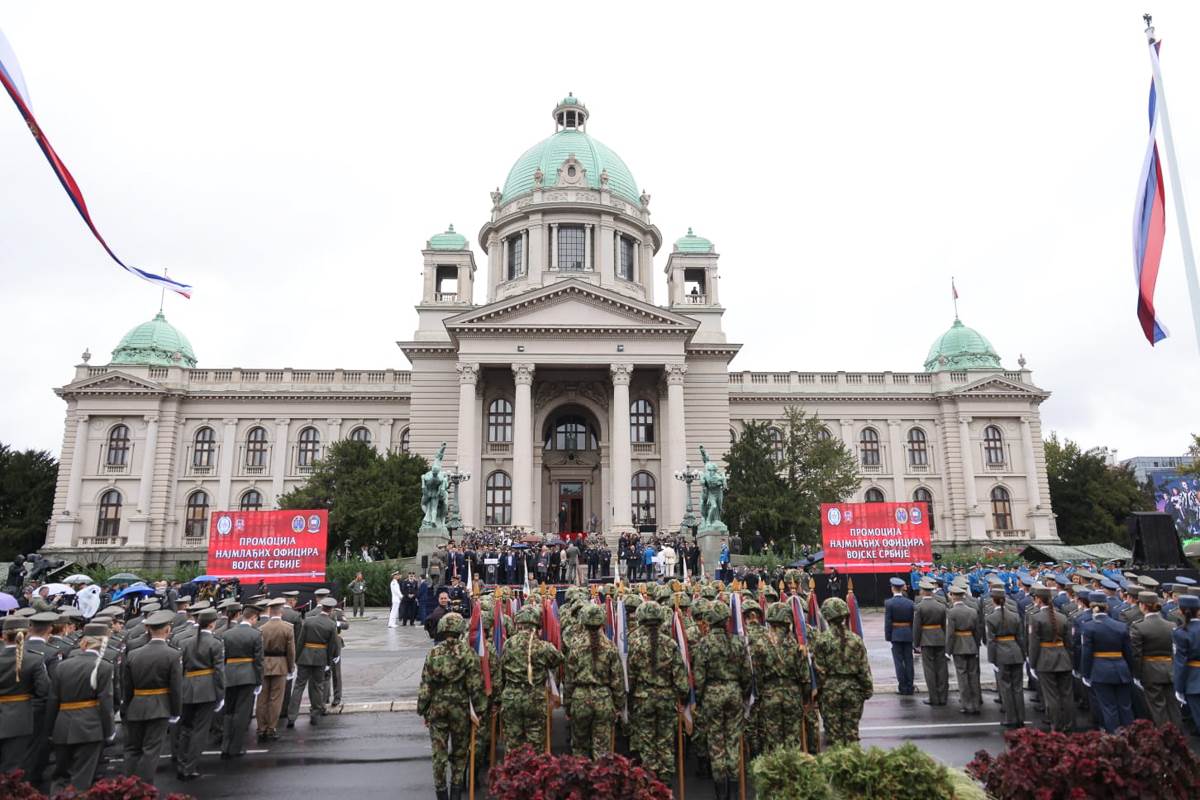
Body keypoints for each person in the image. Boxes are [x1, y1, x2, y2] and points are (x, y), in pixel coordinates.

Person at [417, 612, 485, 800]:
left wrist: (423, 709)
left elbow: (426, 684)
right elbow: (475, 685)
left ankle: (441, 794)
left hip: (437, 708)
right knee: (459, 753)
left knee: (438, 755)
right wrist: (480, 710)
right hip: (460, 709)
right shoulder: (467, 653)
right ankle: (456, 793)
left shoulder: (433, 653)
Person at [46, 622, 114, 795]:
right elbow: (106, 702)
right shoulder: (104, 667)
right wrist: (109, 731)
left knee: (60, 776)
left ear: (84, 642)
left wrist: (49, 729)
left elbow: (53, 700)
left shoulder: (63, 666)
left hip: (62, 724)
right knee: (82, 778)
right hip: (90, 727)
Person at [627, 601, 689, 785]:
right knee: (665, 743)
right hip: (666, 699)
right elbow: (680, 677)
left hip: (642, 699)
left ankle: (650, 783)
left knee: (647, 744)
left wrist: (629, 699)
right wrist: (683, 697)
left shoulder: (635, 644)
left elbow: (630, 676)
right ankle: (665, 783)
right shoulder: (670, 644)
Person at [693, 601, 747, 800]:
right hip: (734, 692)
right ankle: (733, 791)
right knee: (733, 740)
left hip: (712, 694)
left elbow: (699, 676)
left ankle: (721, 794)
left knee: (716, 742)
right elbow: (747, 674)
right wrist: (743, 693)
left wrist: (698, 699)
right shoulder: (738, 642)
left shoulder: (704, 643)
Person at [496, 605, 561, 753]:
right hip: (535, 698)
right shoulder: (543, 646)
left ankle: (512, 774)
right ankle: (532, 774)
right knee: (535, 745)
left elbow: (502, 668)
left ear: (518, 623)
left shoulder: (508, 644)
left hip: (512, 697)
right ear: (537, 624)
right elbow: (558, 659)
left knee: (513, 745)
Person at [563, 603, 624, 759]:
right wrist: (618, 705)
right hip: (604, 699)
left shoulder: (575, 647)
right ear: (602, 623)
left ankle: (581, 781)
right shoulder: (610, 647)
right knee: (602, 750)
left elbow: (569, 680)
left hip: (580, 699)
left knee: (579, 748)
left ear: (583, 622)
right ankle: (601, 781)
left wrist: (568, 706)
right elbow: (617, 680)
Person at [812, 597, 873, 747]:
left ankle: (837, 766)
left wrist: (818, 691)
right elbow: (863, 668)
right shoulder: (856, 639)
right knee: (852, 734)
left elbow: (819, 669)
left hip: (830, 691)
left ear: (826, 616)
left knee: (834, 736)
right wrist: (867, 689)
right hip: (853, 690)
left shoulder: (822, 640)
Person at [176, 607, 223, 782]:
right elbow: (219, 672)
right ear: (212, 623)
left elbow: (180, 669)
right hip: (207, 689)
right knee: (200, 731)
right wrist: (220, 695)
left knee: (186, 728)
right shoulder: (215, 643)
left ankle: (181, 764)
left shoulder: (185, 642)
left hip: (187, 686)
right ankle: (190, 767)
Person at [0, 616, 49, 774]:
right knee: (13, 769)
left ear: (4, 636)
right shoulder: (33, 659)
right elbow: (44, 690)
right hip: (20, 718)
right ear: (26, 634)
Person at [1080, 591, 1133, 733]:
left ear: (1092, 606)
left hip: (1100, 671)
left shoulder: (1089, 626)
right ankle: (1130, 737)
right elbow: (1128, 653)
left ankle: (1114, 738)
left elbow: (1087, 654)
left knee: (1109, 707)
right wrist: (1130, 671)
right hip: (1122, 669)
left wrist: (1085, 673)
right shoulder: (1121, 626)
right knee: (1125, 707)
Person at [1129, 590, 1181, 729]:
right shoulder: (1171, 625)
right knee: (1173, 706)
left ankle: (1165, 737)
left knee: (1158, 707)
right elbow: (1175, 651)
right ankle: (1178, 737)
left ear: (1143, 606)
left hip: (1150, 671)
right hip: (1170, 670)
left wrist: (1137, 674)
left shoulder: (1138, 626)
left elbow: (1136, 654)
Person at [287, 597, 340, 728]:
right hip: (320, 658)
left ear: (321, 607)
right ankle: (315, 714)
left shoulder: (309, 621)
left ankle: (291, 717)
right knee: (317, 686)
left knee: (298, 686)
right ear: (331, 609)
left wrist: (296, 658)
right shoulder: (331, 624)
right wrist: (329, 662)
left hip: (305, 656)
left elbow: (300, 641)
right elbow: (332, 645)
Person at [1028, 586, 1073, 732]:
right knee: (1066, 694)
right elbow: (1069, 643)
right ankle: (1068, 724)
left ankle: (1056, 725)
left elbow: (1034, 645)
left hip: (1045, 660)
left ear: (1039, 600)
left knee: (1051, 696)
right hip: (1063, 658)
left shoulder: (1036, 618)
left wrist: (1032, 664)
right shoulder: (1062, 616)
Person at [221, 604, 264, 758]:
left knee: (229, 712)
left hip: (230, 674)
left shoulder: (227, 634)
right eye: (255, 619)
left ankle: (225, 746)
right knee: (241, 713)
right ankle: (235, 747)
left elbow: (223, 659)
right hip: (248, 675)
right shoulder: (255, 634)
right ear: (252, 617)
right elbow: (259, 660)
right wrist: (259, 681)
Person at [984, 587, 1025, 729]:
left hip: (1001, 654)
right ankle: (1021, 717)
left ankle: (1011, 718)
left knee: (1006, 688)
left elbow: (991, 641)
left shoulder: (991, 618)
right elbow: (1020, 638)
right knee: (1018, 688)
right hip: (1016, 652)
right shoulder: (1014, 615)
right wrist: (1023, 654)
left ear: (992, 600)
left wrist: (992, 659)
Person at [256, 598, 295, 742]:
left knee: (262, 698)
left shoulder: (261, 628)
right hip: (281, 664)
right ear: (282, 610)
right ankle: (271, 728)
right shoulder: (287, 628)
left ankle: (261, 728)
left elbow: (258, 651)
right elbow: (291, 652)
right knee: (276, 699)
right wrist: (291, 667)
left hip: (264, 665)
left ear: (270, 610)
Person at [946, 584, 982, 715]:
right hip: (971, 644)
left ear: (953, 597)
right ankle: (976, 704)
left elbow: (950, 634)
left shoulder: (951, 612)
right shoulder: (972, 611)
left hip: (959, 646)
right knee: (973, 676)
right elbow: (977, 631)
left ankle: (967, 705)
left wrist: (947, 651)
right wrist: (976, 645)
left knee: (962, 676)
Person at [912, 578, 949, 706]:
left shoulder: (919, 607)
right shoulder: (941, 606)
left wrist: (916, 643)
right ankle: (943, 697)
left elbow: (917, 627)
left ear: (922, 591)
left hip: (926, 639)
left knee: (929, 670)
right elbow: (944, 625)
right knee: (942, 668)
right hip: (940, 637)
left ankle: (933, 697)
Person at [883, 577, 915, 695]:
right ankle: (910, 686)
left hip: (896, 635)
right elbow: (913, 621)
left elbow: (888, 622)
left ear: (892, 588)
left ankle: (903, 687)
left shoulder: (889, 603)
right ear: (902, 588)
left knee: (899, 662)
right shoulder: (910, 603)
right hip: (908, 634)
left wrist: (888, 636)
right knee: (909, 661)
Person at [1173, 594, 1200, 726]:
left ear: (1181, 611)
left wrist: (1179, 688)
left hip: (1194, 681)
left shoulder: (1181, 632)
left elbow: (1181, 663)